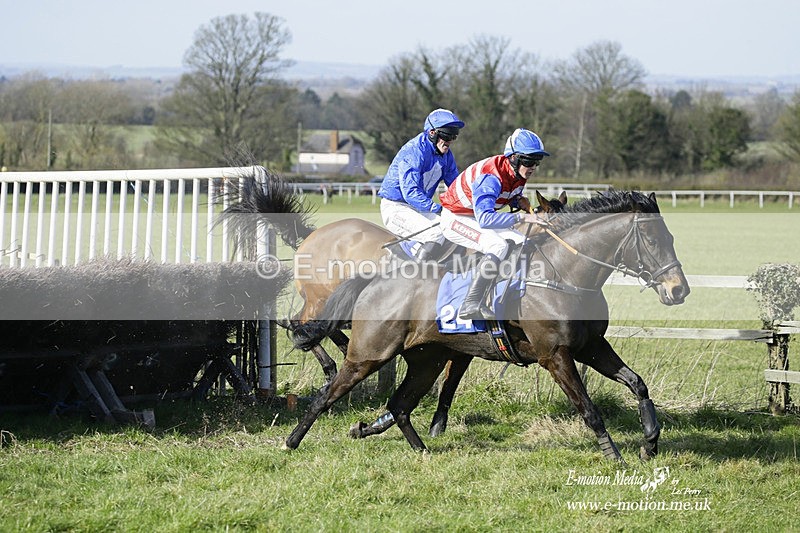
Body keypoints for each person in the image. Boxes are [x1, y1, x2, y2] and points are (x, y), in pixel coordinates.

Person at [439, 128, 550, 320]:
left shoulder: (516, 173)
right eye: (529, 161)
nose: (533, 167)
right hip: (456, 217)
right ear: (514, 158)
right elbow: (486, 219)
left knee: (523, 241)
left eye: (537, 162)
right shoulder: (491, 177)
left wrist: (517, 201)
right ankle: (470, 303)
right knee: (498, 245)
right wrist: (522, 218)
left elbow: (502, 197)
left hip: (475, 215)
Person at [378, 108, 465, 261]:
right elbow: (410, 193)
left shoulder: (446, 156)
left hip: (418, 209)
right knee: (435, 233)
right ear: (432, 132)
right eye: (447, 134)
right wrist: (437, 208)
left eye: (454, 135)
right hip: (396, 207)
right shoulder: (414, 151)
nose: (450, 140)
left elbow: (456, 187)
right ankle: (415, 278)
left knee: (455, 228)